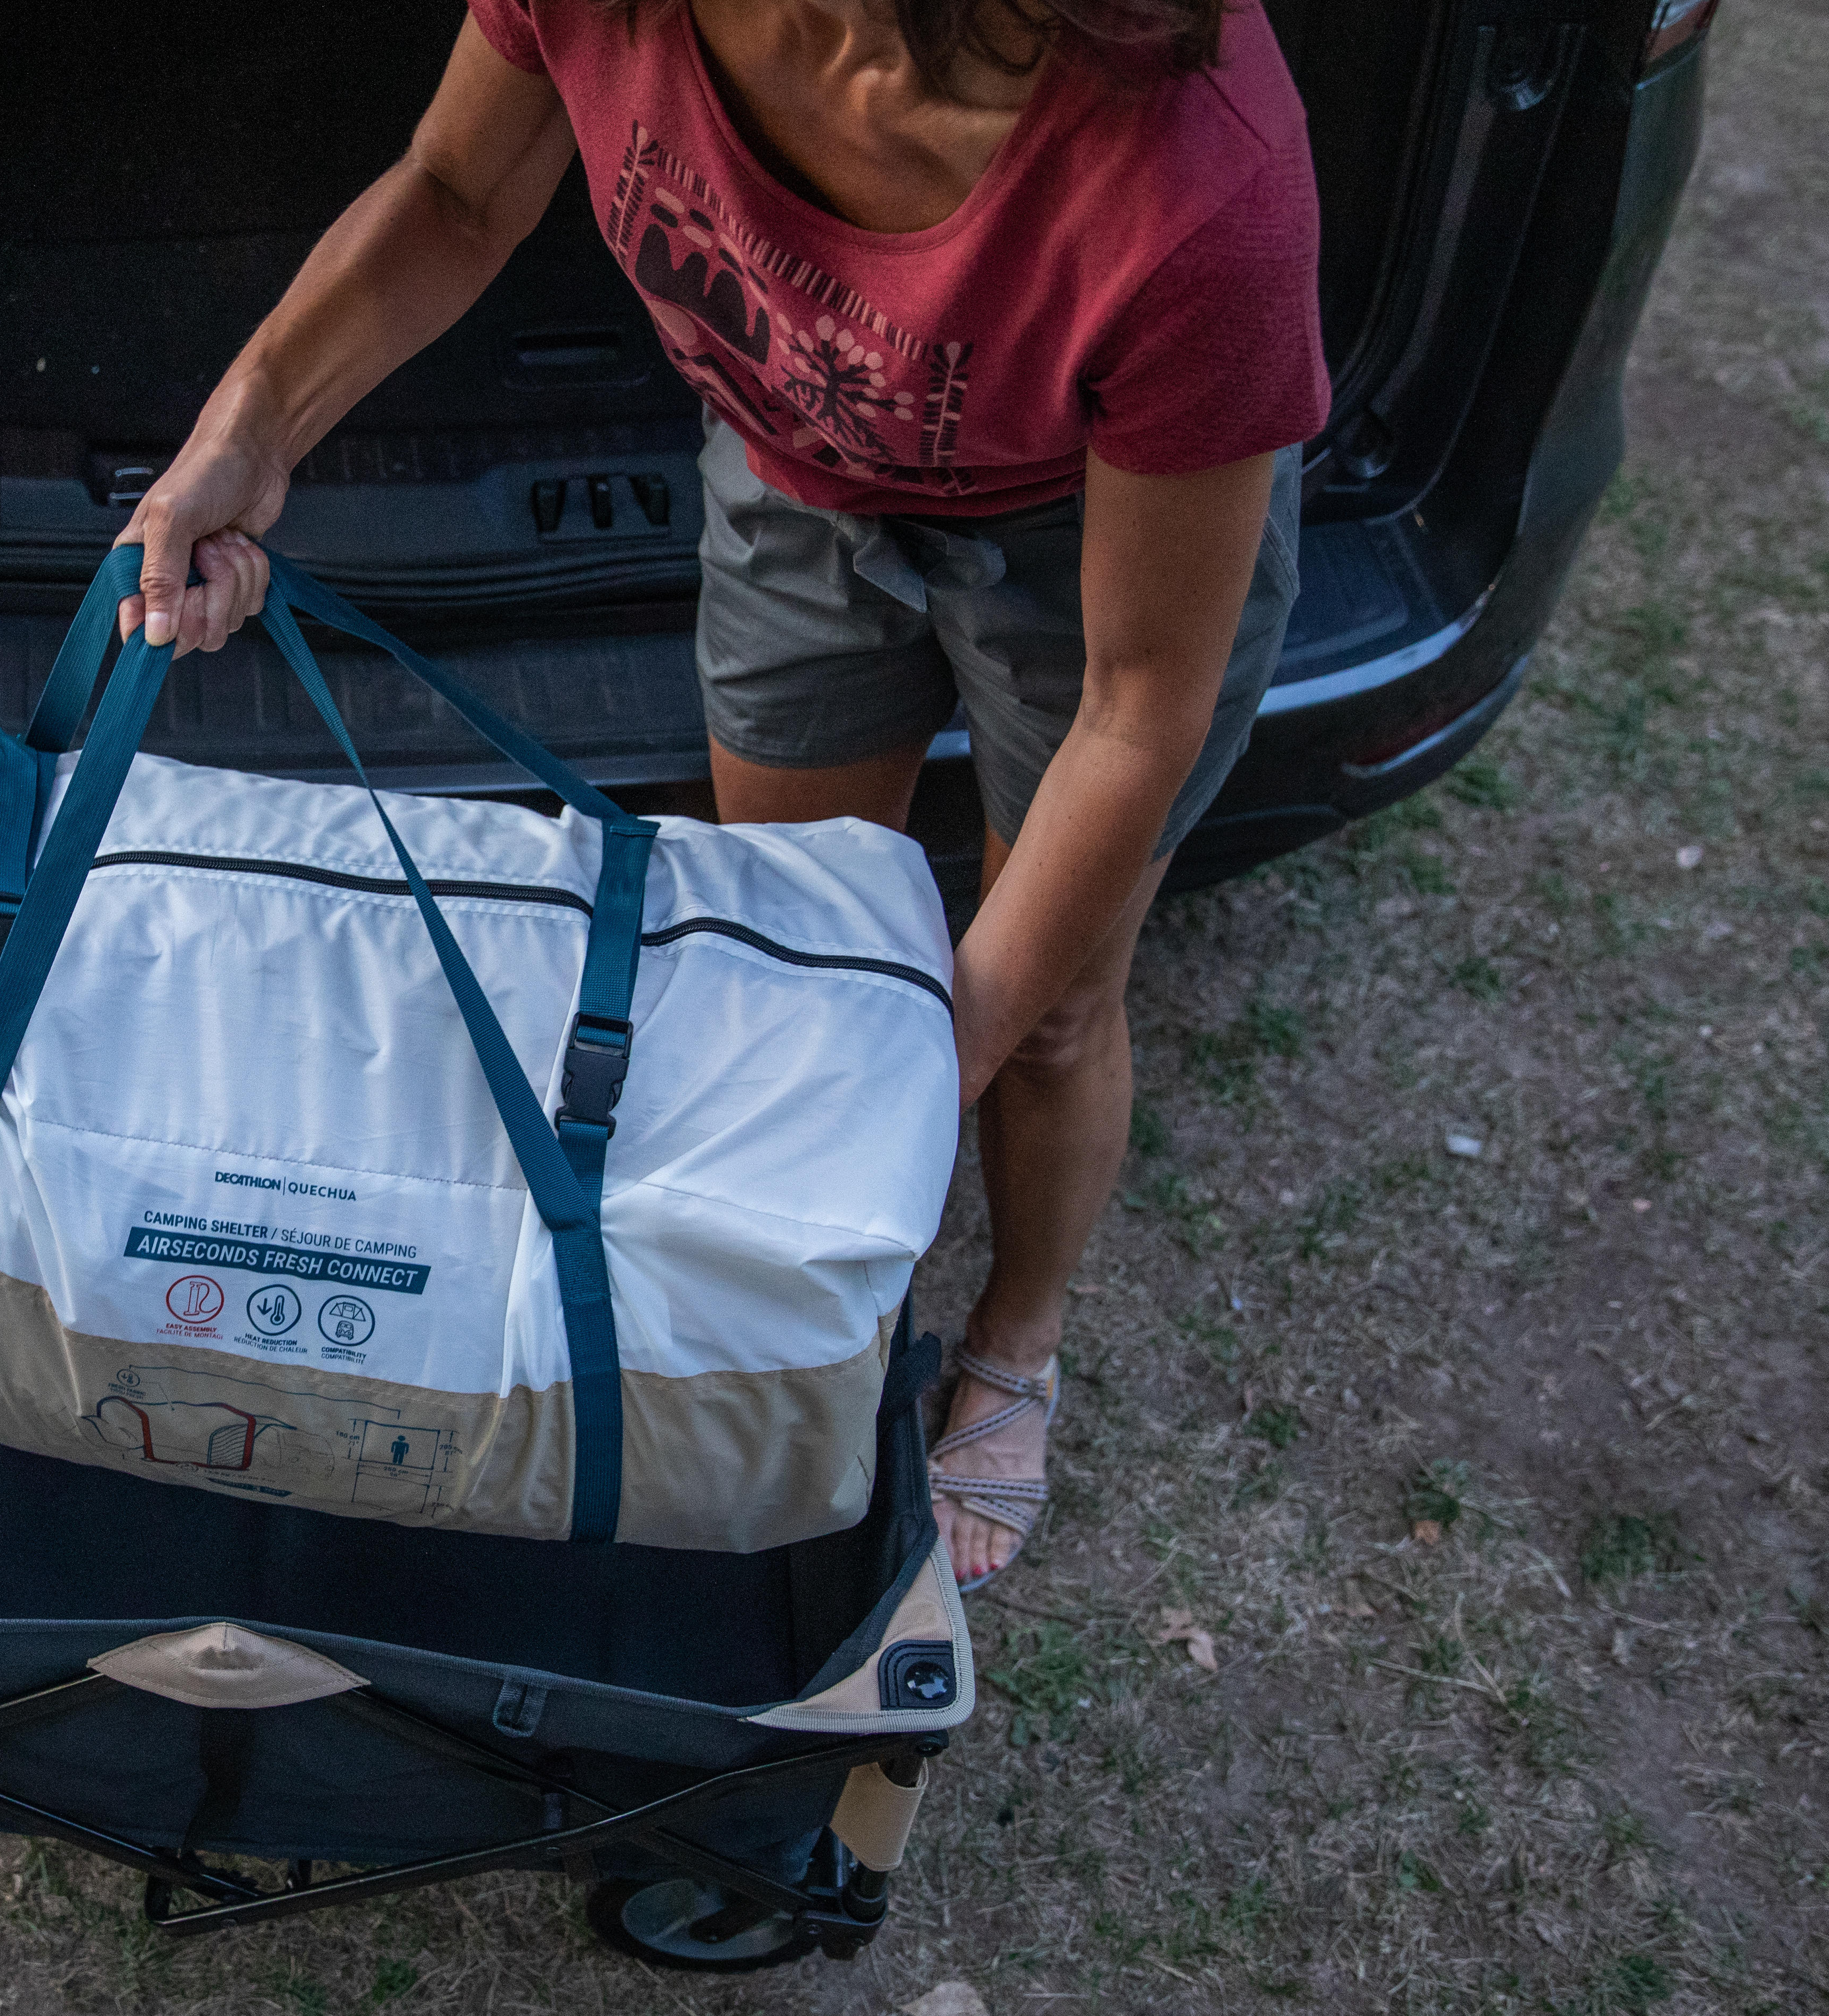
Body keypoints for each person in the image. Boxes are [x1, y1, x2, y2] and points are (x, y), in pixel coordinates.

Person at [116, 0, 1322, 1587]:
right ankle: (807, 1336)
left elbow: (1137, 703)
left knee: (1046, 1010)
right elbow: (460, 194)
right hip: (797, 463)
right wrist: (248, 429)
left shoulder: (1195, 183)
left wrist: (907, 1080)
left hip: (1083, 549)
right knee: (777, 957)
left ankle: (1018, 1333)